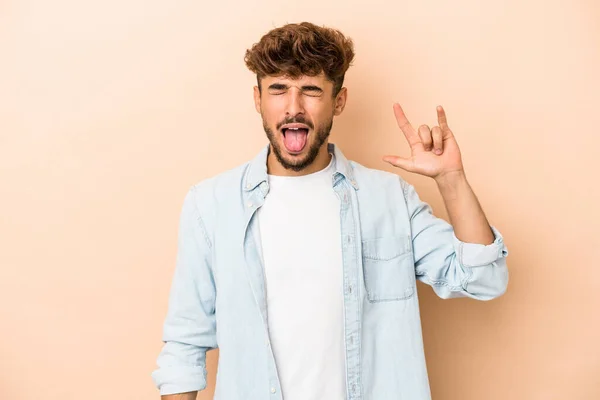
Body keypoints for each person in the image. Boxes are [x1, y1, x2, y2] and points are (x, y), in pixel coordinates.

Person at [151, 21, 509, 400]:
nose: (293, 108)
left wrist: (451, 180)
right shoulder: (212, 205)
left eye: (310, 90)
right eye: (277, 89)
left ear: (338, 100)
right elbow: (184, 345)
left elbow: (483, 280)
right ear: (257, 99)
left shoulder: (389, 199)